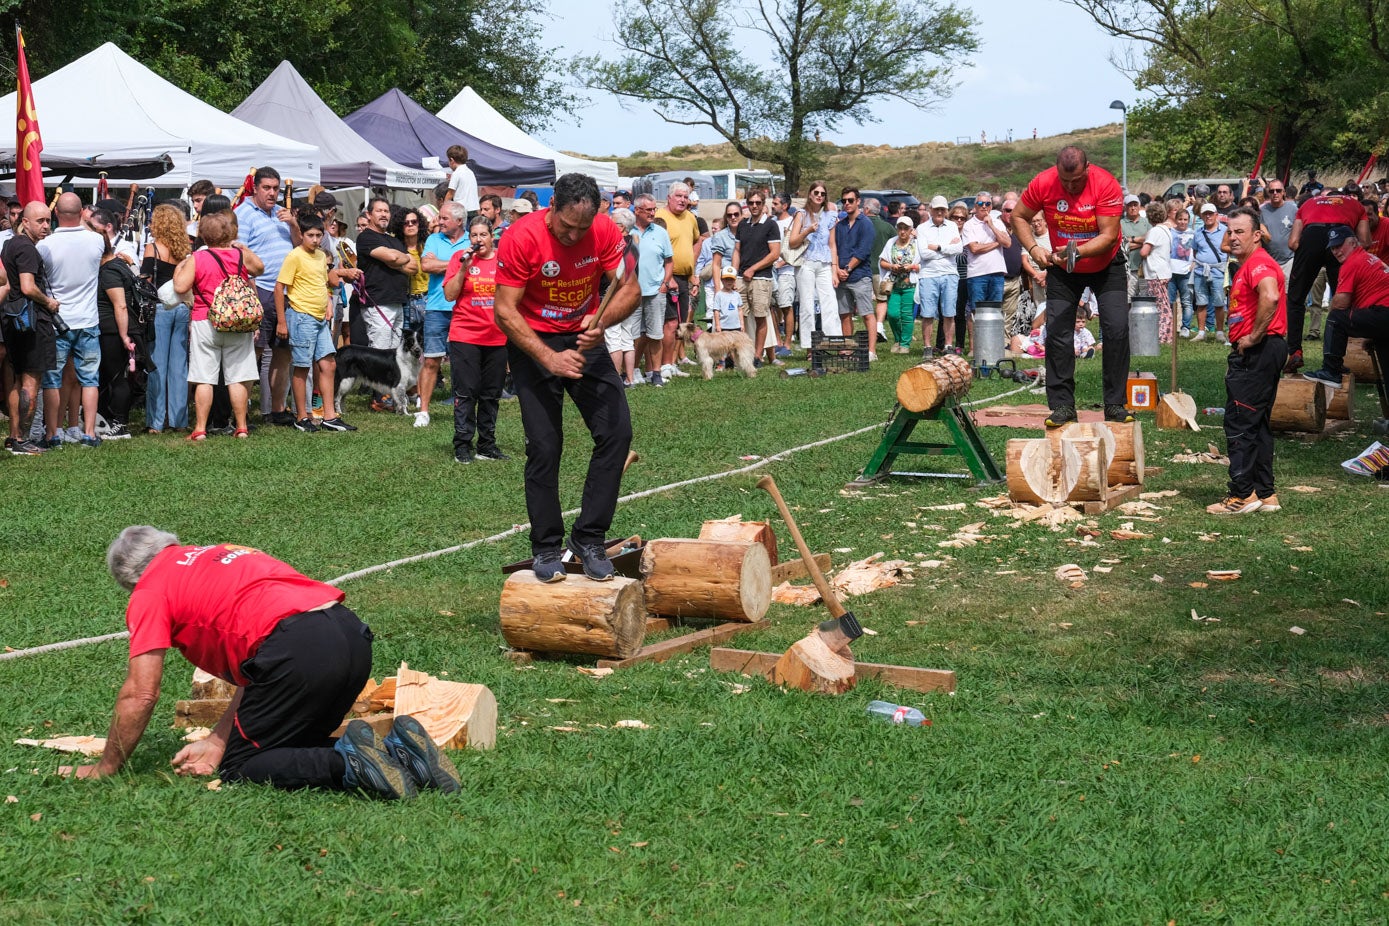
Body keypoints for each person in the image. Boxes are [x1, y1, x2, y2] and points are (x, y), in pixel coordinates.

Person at [69, 526, 459, 801]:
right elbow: (253, 669)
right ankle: (401, 752)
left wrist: (107, 766)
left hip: (297, 651)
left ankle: (348, 762)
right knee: (287, 745)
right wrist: (218, 738)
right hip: (348, 635)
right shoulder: (221, 553)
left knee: (241, 765)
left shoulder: (150, 591)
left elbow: (141, 693)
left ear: (130, 581)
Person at [492, 172, 640, 582]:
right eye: (566, 226)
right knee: (545, 445)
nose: (575, 235)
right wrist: (548, 359)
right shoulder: (521, 237)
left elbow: (630, 288)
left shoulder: (605, 230)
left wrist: (602, 319)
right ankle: (545, 548)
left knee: (616, 433)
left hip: (583, 338)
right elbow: (504, 311)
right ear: (552, 206)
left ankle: (589, 539)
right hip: (532, 341)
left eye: (583, 227)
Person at [1009, 145, 1129, 426]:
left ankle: (1114, 404)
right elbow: (1018, 216)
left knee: (1117, 328)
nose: (1071, 186)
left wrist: (1076, 251)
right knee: (1057, 332)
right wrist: (1034, 248)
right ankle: (1062, 406)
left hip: (1106, 265)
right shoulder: (1043, 182)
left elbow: (1110, 236)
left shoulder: (1106, 184)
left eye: (1077, 181)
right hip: (1063, 268)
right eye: (1065, 181)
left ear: (1088, 168)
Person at [1207, 207, 1288, 515]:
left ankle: (1243, 495)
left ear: (1257, 235)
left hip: (1259, 349)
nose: (1232, 237)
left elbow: (1270, 297)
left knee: (1240, 423)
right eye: (1230, 231)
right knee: (1257, 424)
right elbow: (1229, 244)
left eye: (1241, 232)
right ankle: (1266, 495)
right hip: (1267, 348)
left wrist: (1253, 337)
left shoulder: (1259, 265)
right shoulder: (1248, 261)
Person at [172, 211, 265, 440]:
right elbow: (260, 268)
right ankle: (241, 427)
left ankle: (200, 429)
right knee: (238, 376)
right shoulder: (239, 255)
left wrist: (181, 266)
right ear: (230, 232)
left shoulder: (199, 258)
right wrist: (241, 247)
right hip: (237, 320)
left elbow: (181, 287)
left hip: (206, 320)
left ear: (203, 235)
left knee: (204, 377)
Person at [39, 192, 108, 447]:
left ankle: (53, 433)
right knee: (89, 379)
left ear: (56, 214)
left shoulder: (45, 244)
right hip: (88, 319)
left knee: (52, 380)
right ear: (82, 213)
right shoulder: (96, 241)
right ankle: (89, 433)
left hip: (57, 319)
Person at [276, 213, 354, 434]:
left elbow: (324, 282)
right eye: (310, 235)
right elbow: (279, 288)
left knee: (328, 364)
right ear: (301, 234)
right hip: (301, 317)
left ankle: (329, 416)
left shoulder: (321, 256)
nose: (315, 239)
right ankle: (301, 416)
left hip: (320, 318)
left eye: (319, 235)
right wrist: (282, 321)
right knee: (301, 367)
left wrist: (330, 299)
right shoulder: (294, 256)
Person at [235, 168, 301, 427]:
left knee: (283, 353)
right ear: (255, 188)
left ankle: (277, 409)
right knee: (255, 352)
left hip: (286, 291)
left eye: (276, 188)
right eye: (267, 188)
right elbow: (240, 257)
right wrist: (251, 296)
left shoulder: (280, 213)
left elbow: (298, 246)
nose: (273, 193)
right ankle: (243, 412)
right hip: (260, 289)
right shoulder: (243, 214)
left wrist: (294, 223)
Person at [444, 216, 510, 464]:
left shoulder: (503, 260)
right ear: (468, 237)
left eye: (483, 234)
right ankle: (462, 444)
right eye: (474, 235)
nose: (478, 239)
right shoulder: (460, 258)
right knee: (466, 392)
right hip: (465, 335)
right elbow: (450, 295)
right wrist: (463, 268)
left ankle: (486, 444)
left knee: (491, 394)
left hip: (496, 336)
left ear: (491, 236)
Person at [1283, 187, 1371, 371]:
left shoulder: (1308, 203)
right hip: (1342, 235)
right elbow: (1365, 242)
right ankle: (1335, 360)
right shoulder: (1355, 204)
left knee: (1295, 299)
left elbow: (1292, 243)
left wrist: (1310, 255)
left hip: (1311, 236)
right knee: (1343, 301)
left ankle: (1295, 351)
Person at [1303, 226, 1389, 391]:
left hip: (1383, 312)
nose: (1336, 251)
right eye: (1333, 247)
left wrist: (1330, 320)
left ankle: (1331, 371)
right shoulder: (1368, 257)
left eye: (1339, 245)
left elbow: (1341, 303)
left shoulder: (1352, 262)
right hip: (1383, 315)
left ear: (1353, 242)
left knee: (1336, 318)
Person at [414, 202, 472, 428]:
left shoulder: (472, 240)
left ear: (459, 221)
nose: (439, 221)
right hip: (437, 307)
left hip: (465, 307)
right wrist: (459, 263)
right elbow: (426, 265)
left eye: (445, 218)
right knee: (431, 359)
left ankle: (463, 405)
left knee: (463, 360)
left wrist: (443, 265)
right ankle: (423, 410)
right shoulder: (434, 239)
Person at [2, 203, 50, 455]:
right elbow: (29, 286)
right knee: (31, 382)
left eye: (48, 220)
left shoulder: (10, 244)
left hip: (12, 319)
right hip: (31, 321)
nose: (45, 226)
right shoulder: (28, 249)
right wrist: (50, 302)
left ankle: (13, 436)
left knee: (17, 380)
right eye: (40, 221)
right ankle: (21, 439)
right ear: (26, 222)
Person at [143, 203, 191, 433]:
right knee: (179, 367)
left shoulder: (153, 248)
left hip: (160, 308)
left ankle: (155, 421)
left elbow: (146, 282)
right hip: (182, 307)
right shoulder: (185, 249)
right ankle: (179, 419)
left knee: (157, 366)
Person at [353, 197, 417, 351]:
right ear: (369, 215)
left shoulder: (393, 240)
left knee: (394, 354)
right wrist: (399, 259)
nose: (384, 214)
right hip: (378, 303)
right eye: (379, 211)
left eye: (386, 211)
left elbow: (414, 267)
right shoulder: (366, 237)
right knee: (380, 352)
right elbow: (392, 257)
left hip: (397, 302)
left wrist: (396, 263)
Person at [94, 229, 139, 440]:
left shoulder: (110, 271)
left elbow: (120, 306)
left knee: (116, 378)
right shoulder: (119, 264)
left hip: (113, 330)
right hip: (112, 329)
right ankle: (105, 420)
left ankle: (119, 424)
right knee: (110, 376)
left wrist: (123, 336)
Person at [653, 182, 702, 375]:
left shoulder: (691, 217)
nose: (682, 200)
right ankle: (664, 364)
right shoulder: (660, 217)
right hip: (666, 278)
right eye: (679, 196)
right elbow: (654, 249)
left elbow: (697, 240)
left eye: (685, 196)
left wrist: (692, 272)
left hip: (684, 278)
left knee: (680, 324)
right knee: (670, 323)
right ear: (669, 197)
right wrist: (667, 276)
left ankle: (672, 363)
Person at [786, 181, 840, 348]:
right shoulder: (801, 215)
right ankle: (809, 346)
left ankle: (833, 341)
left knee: (830, 303)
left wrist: (835, 269)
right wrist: (807, 230)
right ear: (810, 194)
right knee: (807, 306)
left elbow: (832, 244)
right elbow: (793, 242)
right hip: (806, 263)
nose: (819, 196)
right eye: (816, 192)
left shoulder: (830, 216)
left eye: (822, 194)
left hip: (824, 263)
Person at [732, 189, 781, 364]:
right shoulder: (743, 225)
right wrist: (733, 274)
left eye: (758, 203)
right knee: (741, 317)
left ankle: (758, 356)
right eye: (751, 203)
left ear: (763, 204)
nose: (754, 206)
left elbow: (774, 254)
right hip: (741, 277)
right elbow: (737, 251)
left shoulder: (770, 225)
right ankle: (743, 353)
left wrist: (753, 269)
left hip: (761, 278)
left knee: (760, 316)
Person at [631, 194, 675, 386]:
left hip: (656, 291)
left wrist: (665, 283)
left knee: (655, 334)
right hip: (632, 293)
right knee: (633, 335)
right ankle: (631, 371)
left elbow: (669, 261)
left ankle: (656, 373)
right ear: (637, 211)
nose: (652, 213)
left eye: (653, 209)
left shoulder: (660, 232)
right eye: (648, 210)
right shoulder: (627, 231)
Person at [914, 195, 963, 357]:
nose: (940, 212)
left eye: (943, 209)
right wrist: (947, 249)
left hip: (949, 273)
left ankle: (948, 345)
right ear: (931, 210)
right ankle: (927, 346)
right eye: (937, 209)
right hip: (928, 274)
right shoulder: (922, 229)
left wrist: (938, 247)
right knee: (927, 313)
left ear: (946, 210)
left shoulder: (952, 226)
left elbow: (959, 249)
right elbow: (924, 253)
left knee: (949, 312)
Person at [832, 187, 877, 357]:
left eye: (850, 200)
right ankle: (848, 348)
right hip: (842, 277)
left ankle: (872, 350)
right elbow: (834, 248)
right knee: (845, 314)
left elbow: (863, 251)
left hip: (859, 276)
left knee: (866, 313)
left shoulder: (866, 224)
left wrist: (847, 269)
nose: (847, 204)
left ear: (858, 201)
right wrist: (837, 269)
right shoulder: (840, 225)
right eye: (844, 201)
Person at [878, 215, 921, 353]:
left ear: (911, 230)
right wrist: (892, 266)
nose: (902, 231)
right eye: (900, 228)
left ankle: (905, 344)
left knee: (907, 314)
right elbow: (882, 262)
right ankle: (897, 340)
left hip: (910, 284)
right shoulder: (891, 242)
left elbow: (924, 264)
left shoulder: (917, 243)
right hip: (894, 285)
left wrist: (912, 267)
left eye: (906, 229)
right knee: (893, 314)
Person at [1191, 203, 1229, 343]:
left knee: (1219, 303)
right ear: (1201, 216)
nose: (1208, 216)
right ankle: (1201, 332)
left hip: (1218, 271)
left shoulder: (1225, 231)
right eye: (1205, 214)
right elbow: (1195, 251)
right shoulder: (1198, 232)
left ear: (1216, 215)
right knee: (1201, 302)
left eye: (1210, 213)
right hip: (1201, 271)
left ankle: (1219, 331)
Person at [1139, 200, 1174, 344]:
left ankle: (1164, 336)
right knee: (1163, 303)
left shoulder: (1155, 231)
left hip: (1155, 273)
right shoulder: (1166, 230)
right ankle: (1165, 334)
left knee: (1161, 306)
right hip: (1164, 271)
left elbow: (1144, 252)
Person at [770, 193, 797, 353]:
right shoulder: (771, 223)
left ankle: (787, 343)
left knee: (786, 306)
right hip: (771, 270)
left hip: (787, 271)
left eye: (775, 203)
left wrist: (783, 262)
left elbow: (798, 248)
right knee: (772, 306)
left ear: (785, 205)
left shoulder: (792, 223)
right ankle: (777, 341)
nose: (772, 206)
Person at [1120, 194, 1150, 296]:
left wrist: (1132, 239)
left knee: (1145, 297)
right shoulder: (1121, 224)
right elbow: (1123, 245)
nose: (1133, 208)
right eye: (1130, 205)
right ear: (1125, 207)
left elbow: (1151, 239)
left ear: (1139, 206)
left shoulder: (1146, 222)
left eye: (1135, 205)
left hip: (1145, 268)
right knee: (1129, 298)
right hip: (1129, 269)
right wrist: (1143, 243)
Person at [444, 144, 480, 217]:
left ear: (452, 160)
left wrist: (444, 209)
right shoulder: (470, 172)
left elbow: (450, 193)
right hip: (474, 210)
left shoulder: (456, 173)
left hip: (462, 210)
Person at [712, 266, 744, 332]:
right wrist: (717, 325)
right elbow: (716, 311)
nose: (729, 282)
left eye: (731, 279)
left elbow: (740, 310)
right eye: (726, 279)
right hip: (724, 327)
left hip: (736, 326)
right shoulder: (719, 295)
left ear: (735, 280)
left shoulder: (737, 295)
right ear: (721, 280)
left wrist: (742, 324)